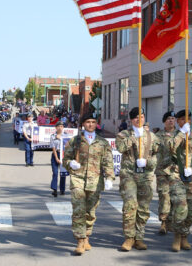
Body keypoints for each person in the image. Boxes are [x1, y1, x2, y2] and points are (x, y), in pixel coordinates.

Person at [63, 113, 115, 255]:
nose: (90, 124)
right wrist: (70, 164)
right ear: (83, 124)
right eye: (87, 122)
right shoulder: (75, 141)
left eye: (93, 122)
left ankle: (86, 236)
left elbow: (108, 162)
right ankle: (80, 240)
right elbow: (65, 159)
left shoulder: (103, 143)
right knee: (79, 209)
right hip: (78, 179)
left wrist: (110, 177)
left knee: (90, 212)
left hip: (95, 181)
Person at [116, 107, 160, 251]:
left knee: (143, 208)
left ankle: (139, 237)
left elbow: (157, 154)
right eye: (135, 117)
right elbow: (121, 147)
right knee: (130, 206)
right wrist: (134, 136)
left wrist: (148, 162)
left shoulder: (152, 136)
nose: (138, 119)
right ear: (131, 120)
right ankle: (129, 238)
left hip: (145, 176)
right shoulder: (124, 134)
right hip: (128, 175)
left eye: (141, 116)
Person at [167, 109, 192, 252]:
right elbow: (170, 148)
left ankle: (184, 236)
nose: (186, 122)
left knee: (190, 211)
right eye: (182, 120)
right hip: (176, 176)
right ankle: (177, 236)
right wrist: (180, 135)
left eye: (188, 119)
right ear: (178, 122)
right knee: (180, 206)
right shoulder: (173, 137)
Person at [154, 111, 177, 235]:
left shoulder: (180, 135)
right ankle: (163, 222)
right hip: (162, 171)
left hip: (176, 172)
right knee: (164, 196)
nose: (171, 121)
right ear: (164, 121)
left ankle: (171, 221)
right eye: (168, 118)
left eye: (173, 118)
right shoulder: (158, 135)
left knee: (174, 197)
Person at [50, 121, 67, 197]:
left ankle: (62, 189)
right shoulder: (53, 136)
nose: (60, 127)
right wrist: (56, 158)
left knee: (63, 173)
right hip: (55, 154)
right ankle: (54, 189)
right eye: (58, 126)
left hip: (63, 155)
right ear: (56, 128)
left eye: (61, 126)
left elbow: (69, 146)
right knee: (55, 173)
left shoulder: (66, 135)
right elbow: (53, 147)